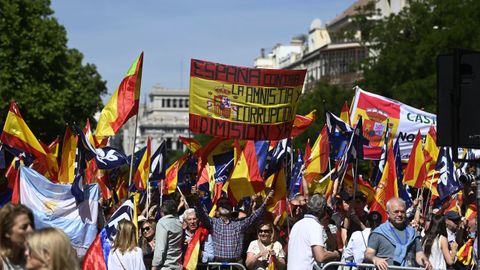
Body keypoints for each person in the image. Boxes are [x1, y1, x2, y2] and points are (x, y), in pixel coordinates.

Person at [194, 190, 274, 263]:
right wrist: (195, 199)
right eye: (221, 205)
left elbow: (254, 217)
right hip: (217, 265)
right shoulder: (213, 223)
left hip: (236, 265)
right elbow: (201, 214)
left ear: (232, 208)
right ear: (217, 210)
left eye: (227, 204)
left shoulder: (239, 224)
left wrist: (266, 201)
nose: (225, 206)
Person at [365, 198, 432, 270]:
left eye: (402, 212)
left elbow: (419, 254)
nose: (399, 214)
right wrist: (376, 259)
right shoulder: (379, 232)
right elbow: (368, 253)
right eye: (396, 212)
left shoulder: (413, 232)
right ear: (388, 213)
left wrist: (425, 261)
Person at [287, 194, 340, 270]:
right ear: (323, 210)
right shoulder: (314, 226)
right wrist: (336, 254)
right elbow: (320, 256)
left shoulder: (297, 224)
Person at [0, 203, 35, 270]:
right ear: (7, 232)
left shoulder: (32, 257)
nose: (31, 230)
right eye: (24, 227)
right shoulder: (2, 261)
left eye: (31, 225)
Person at [152, 200, 182, 270]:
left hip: (165, 266)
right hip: (177, 266)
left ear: (162, 211)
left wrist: (154, 265)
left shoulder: (162, 223)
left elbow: (160, 248)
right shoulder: (179, 223)